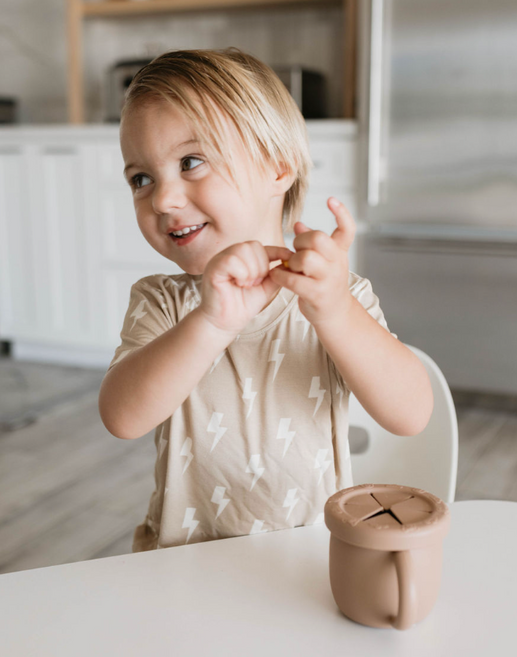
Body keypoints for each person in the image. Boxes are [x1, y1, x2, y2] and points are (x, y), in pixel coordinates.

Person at [99, 48, 433, 551]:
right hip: (181, 565)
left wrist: (337, 313)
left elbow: (411, 414)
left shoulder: (335, 297)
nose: (162, 200)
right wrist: (211, 323)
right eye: (141, 179)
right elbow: (121, 418)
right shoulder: (162, 303)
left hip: (309, 560)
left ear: (278, 168)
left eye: (191, 162)